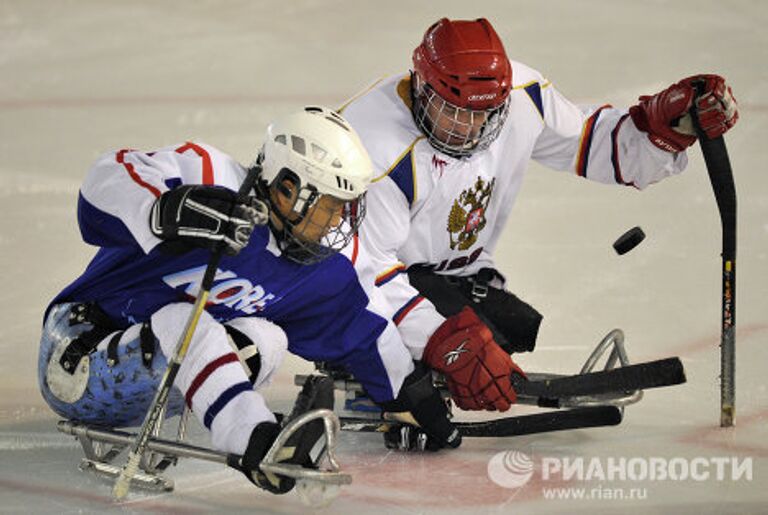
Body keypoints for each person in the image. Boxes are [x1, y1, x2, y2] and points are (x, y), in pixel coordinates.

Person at [37, 106, 462, 495]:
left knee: (267, 338)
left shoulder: (320, 270)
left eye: (346, 209)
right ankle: (258, 445)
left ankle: (253, 434)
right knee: (187, 319)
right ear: (287, 188)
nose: (338, 223)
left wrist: (412, 400)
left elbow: (362, 331)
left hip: (160, 387)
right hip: (79, 355)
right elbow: (105, 178)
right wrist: (165, 210)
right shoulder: (208, 175)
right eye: (330, 207)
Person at [338, 18, 738, 412]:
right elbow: (360, 272)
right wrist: (442, 339)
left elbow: (593, 141)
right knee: (454, 342)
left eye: (483, 113)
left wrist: (663, 128)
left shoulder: (519, 97)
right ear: (421, 85)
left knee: (508, 326)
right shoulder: (374, 148)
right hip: (357, 283)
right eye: (453, 111)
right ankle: (373, 366)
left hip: (449, 276)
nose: (469, 128)